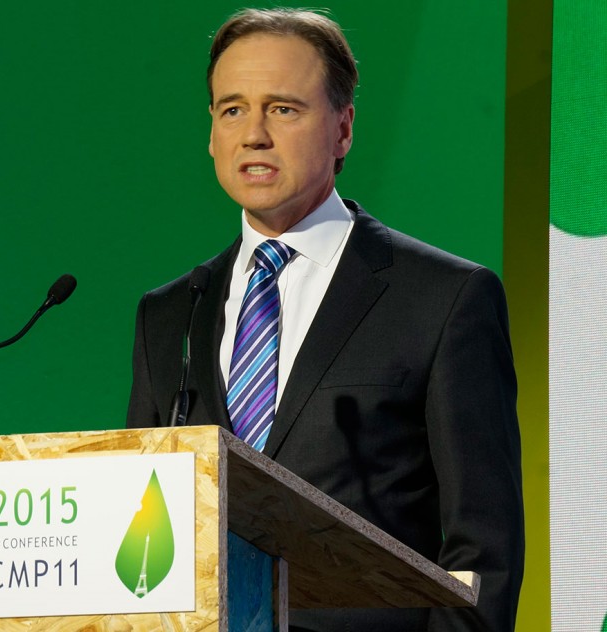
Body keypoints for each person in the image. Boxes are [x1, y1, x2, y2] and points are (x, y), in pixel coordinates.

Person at [125, 8, 524, 631]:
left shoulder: (444, 298)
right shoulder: (170, 313)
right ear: (211, 133)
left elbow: (484, 548)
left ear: (343, 129)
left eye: (283, 109)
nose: (253, 133)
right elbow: (142, 511)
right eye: (232, 109)